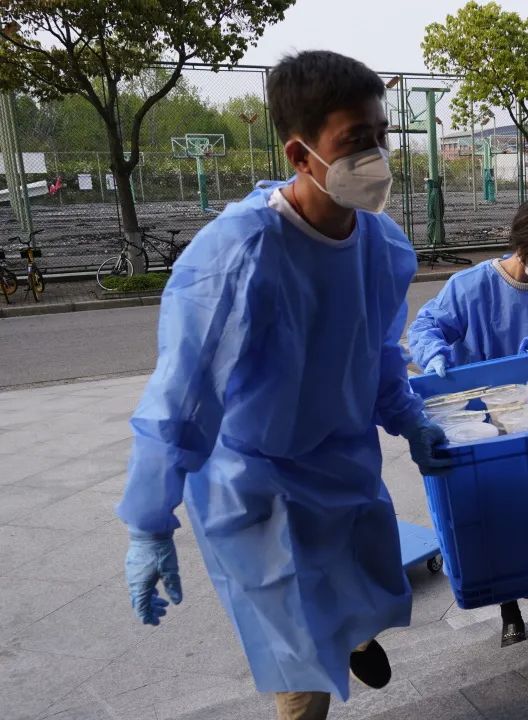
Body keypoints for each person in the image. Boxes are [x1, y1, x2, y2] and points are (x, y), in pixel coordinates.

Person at [117, 51, 451, 720]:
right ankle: (321, 659)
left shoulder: (381, 246)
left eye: (381, 136)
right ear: (301, 155)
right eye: (354, 142)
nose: (376, 157)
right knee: (298, 663)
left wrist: (409, 416)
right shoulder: (239, 255)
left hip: (342, 463)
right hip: (258, 484)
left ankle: (351, 637)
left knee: (364, 585)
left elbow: (378, 352)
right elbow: (182, 397)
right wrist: (150, 522)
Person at [407, 197, 528, 647]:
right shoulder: (470, 287)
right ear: (525, 245)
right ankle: (508, 606)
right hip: (477, 423)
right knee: (493, 513)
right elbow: (426, 328)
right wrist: (433, 354)